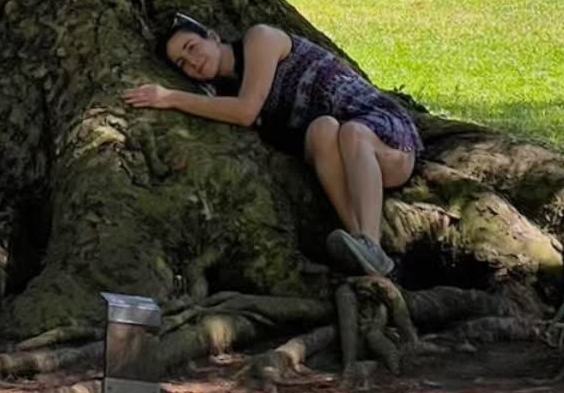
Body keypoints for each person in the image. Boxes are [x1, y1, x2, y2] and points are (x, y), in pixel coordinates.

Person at [124, 14, 422, 278]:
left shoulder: (260, 38)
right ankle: (367, 251)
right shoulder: (223, 93)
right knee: (323, 130)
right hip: (346, 151)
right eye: (182, 64)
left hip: (388, 139)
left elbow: (245, 111)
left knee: (352, 133)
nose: (192, 62)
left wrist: (170, 97)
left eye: (191, 47)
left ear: (213, 37)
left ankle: (370, 242)